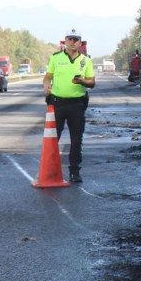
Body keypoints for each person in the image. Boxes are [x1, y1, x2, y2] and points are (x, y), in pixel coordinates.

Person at [43, 29, 96, 182]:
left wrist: (82, 81)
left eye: (75, 39)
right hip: (57, 104)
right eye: (69, 39)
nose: (72, 42)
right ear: (64, 41)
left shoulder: (86, 61)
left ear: (80, 43)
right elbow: (47, 77)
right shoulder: (55, 58)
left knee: (76, 139)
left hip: (77, 105)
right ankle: (50, 171)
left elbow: (92, 82)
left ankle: (74, 171)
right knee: (53, 139)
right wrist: (46, 86)